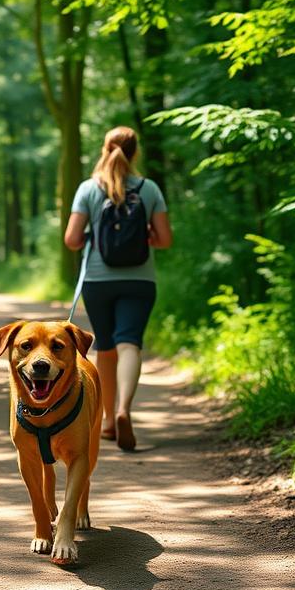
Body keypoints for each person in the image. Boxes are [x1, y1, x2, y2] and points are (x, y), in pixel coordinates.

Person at [63, 126, 172, 450]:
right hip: (140, 280)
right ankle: (124, 409)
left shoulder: (89, 188)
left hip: (97, 281)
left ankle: (109, 421)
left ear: (104, 149)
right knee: (129, 344)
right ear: (135, 152)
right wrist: (145, 236)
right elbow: (165, 239)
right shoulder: (149, 188)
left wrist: (91, 236)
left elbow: (71, 240)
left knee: (106, 348)